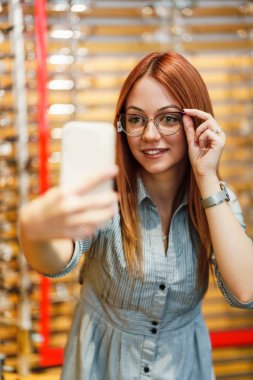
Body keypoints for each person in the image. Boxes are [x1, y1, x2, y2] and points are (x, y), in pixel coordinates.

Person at [18, 51, 253, 380]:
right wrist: (32, 231)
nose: (150, 135)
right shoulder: (106, 194)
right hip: (102, 366)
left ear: (198, 123)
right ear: (122, 125)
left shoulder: (217, 200)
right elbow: (57, 259)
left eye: (168, 118)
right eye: (136, 119)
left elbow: (246, 291)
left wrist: (207, 177)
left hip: (183, 369)